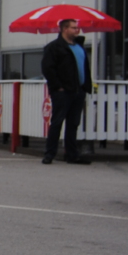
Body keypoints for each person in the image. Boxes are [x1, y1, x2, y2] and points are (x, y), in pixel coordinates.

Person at [40, 18, 93, 165]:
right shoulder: (54, 47)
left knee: (73, 123)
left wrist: (86, 86)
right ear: (64, 29)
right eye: (74, 28)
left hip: (78, 90)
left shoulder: (79, 47)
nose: (77, 30)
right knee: (57, 122)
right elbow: (47, 68)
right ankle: (49, 154)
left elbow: (84, 68)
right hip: (63, 92)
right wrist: (58, 86)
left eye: (77, 28)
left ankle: (72, 154)